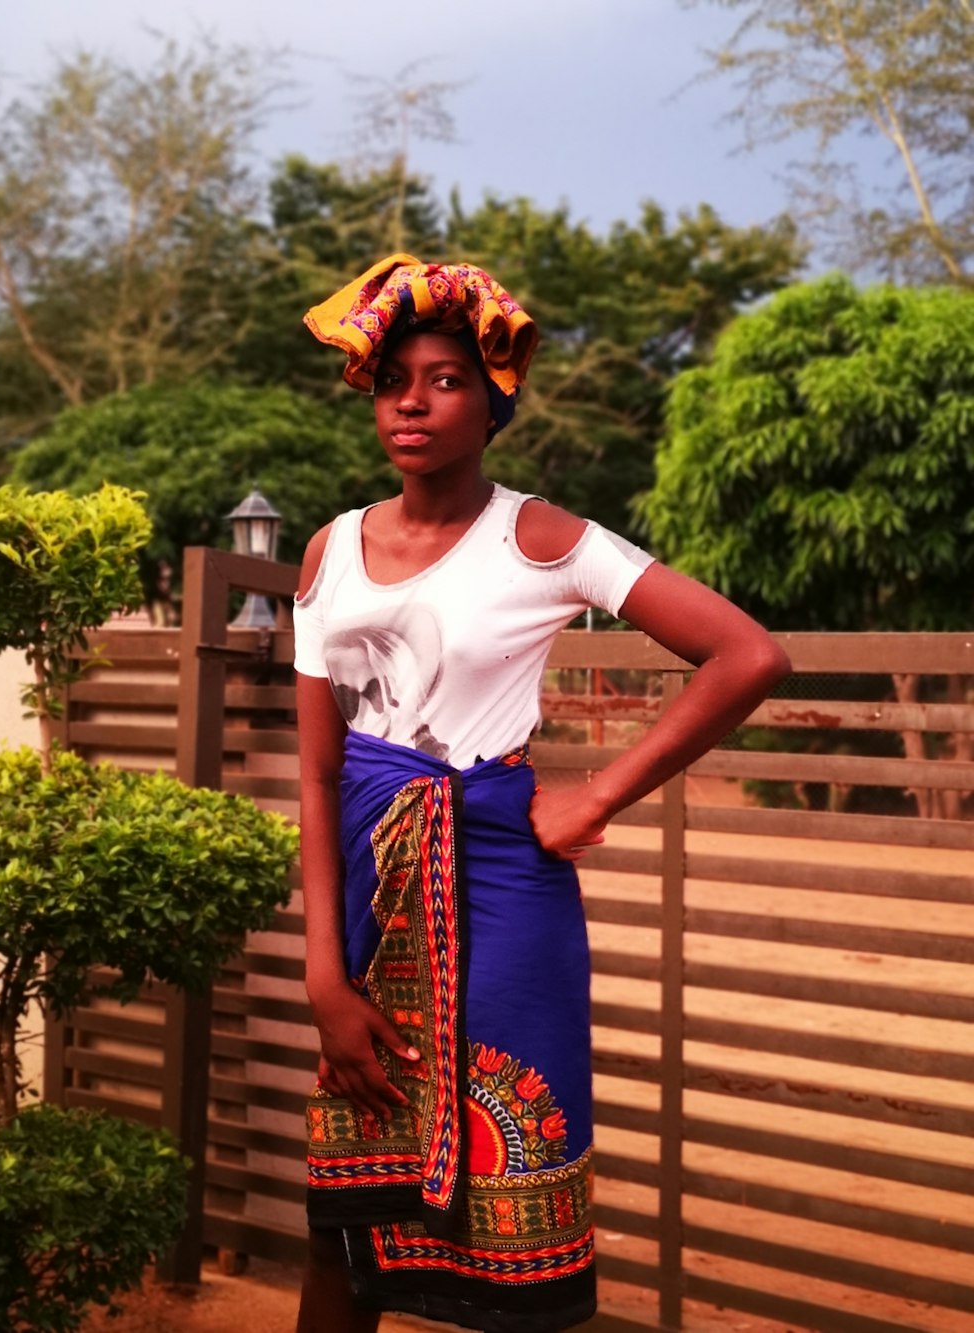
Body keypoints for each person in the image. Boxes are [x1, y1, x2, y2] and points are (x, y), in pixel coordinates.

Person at [293, 254, 791, 1333]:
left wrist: (597, 794)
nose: (413, 402)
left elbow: (747, 654)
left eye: (445, 379)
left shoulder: (542, 539)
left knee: (513, 1180)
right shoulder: (328, 551)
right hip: (372, 889)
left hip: (504, 892)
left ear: (494, 397)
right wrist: (323, 972)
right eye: (394, 382)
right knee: (344, 1213)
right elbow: (321, 769)